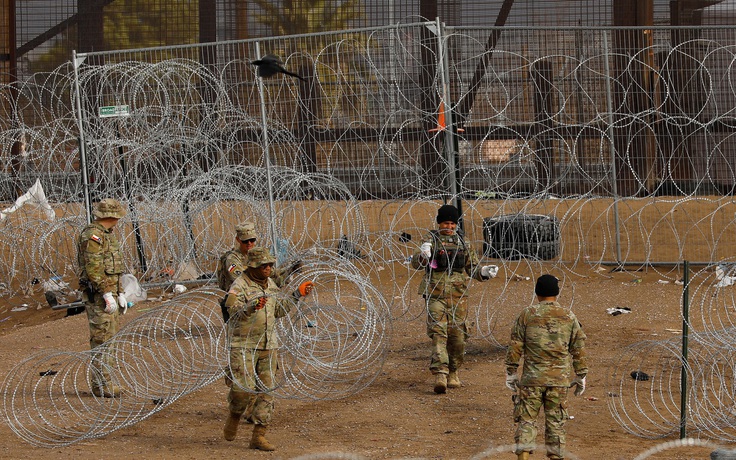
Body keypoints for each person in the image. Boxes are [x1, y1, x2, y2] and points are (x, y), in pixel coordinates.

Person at [222, 247, 314, 451]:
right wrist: (250, 308)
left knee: (267, 391)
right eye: (264, 265)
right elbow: (232, 311)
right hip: (244, 345)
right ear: (253, 267)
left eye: (270, 265)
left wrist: (297, 294)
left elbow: (279, 310)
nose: (268, 269)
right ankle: (235, 414)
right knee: (241, 390)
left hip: (268, 344)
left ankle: (259, 435)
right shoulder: (239, 286)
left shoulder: (271, 285)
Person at [411, 203, 498, 394]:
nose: (448, 227)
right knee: (438, 334)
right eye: (445, 223)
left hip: (458, 296)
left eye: (452, 223)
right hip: (436, 294)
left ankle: (453, 371)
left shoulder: (463, 243)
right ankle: (440, 374)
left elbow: (472, 268)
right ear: (439, 223)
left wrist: (484, 272)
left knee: (458, 337)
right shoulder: (430, 241)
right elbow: (416, 263)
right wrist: (423, 256)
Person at [504, 274, 588, 460]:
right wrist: (581, 374)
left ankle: (523, 457)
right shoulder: (568, 316)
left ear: (537, 293)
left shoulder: (527, 314)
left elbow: (515, 345)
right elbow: (578, 348)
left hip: (532, 380)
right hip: (559, 381)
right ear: (557, 293)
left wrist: (511, 371)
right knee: (556, 423)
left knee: (526, 421)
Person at [77, 198, 129, 398]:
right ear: (112, 216)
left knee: (110, 338)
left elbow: (112, 269)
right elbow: (94, 268)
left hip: (109, 293)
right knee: (102, 340)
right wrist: (107, 293)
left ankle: (104, 383)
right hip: (99, 295)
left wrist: (120, 292)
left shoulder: (107, 235)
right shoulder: (93, 236)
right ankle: (102, 385)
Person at [217, 221, 302, 323]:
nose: (249, 243)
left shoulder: (256, 255)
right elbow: (239, 279)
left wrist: (290, 269)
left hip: (257, 296)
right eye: (245, 241)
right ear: (238, 240)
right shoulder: (232, 259)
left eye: (252, 240)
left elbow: (273, 273)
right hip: (241, 299)